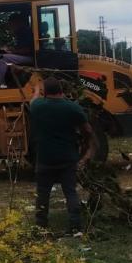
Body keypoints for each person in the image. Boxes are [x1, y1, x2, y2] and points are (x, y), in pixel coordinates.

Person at [29, 77, 96, 234]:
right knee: (70, 192)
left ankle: (41, 226)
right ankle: (75, 226)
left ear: (45, 92)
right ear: (61, 90)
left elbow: (33, 100)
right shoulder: (73, 108)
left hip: (45, 157)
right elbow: (88, 130)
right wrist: (86, 146)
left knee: (42, 193)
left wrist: (37, 89)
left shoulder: (38, 106)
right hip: (67, 157)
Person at [0, 13, 35, 88]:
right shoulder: (20, 32)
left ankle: (1, 85)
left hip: (31, 57)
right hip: (25, 56)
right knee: (0, 56)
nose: (10, 26)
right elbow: (21, 48)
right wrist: (10, 49)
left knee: (2, 59)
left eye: (11, 23)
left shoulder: (26, 32)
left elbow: (27, 50)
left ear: (17, 22)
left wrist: (12, 52)